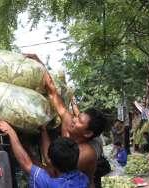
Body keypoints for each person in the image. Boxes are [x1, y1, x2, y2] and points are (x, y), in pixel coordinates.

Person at [24, 54, 107, 188]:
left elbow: (51, 164)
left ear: (87, 134)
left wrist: (28, 151)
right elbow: (53, 93)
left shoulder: (86, 154)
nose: (74, 119)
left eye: (79, 121)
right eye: (77, 116)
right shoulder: (69, 123)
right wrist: (40, 66)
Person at [0, 119, 89, 188]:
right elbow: (45, 168)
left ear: (51, 161)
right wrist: (43, 130)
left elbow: (26, 163)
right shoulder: (82, 178)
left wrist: (10, 132)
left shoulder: (47, 182)